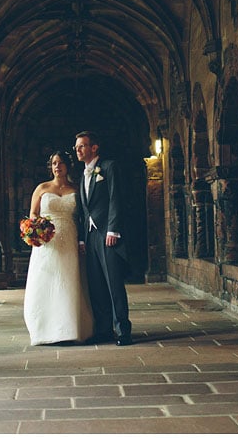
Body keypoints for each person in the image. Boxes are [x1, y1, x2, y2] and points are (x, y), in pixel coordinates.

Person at [23, 150, 95, 345]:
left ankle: (70, 328)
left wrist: (82, 241)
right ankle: (44, 329)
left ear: (67, 166)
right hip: (47, 241)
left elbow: (82, 216)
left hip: (70, 237)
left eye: (61, 163)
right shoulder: (42, 188)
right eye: (54, 163)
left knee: (69, 280)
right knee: (47, 279)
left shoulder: (76, 188)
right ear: (51, 166)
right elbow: (33, 213)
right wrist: (37, 229)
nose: (57, 166)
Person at [74, 131, 133, 345]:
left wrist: (113, 230)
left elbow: (116, 197)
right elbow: (83, 211)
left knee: (113, 283)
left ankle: (123, 330)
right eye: (77, 147)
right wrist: (82, 238)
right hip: (90, 237)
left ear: (94, 147)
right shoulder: (83, 175)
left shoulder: (108, 167)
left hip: (107, 234)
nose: (78, 150)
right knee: (97, 285)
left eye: (82, 146)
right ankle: (104, 329)